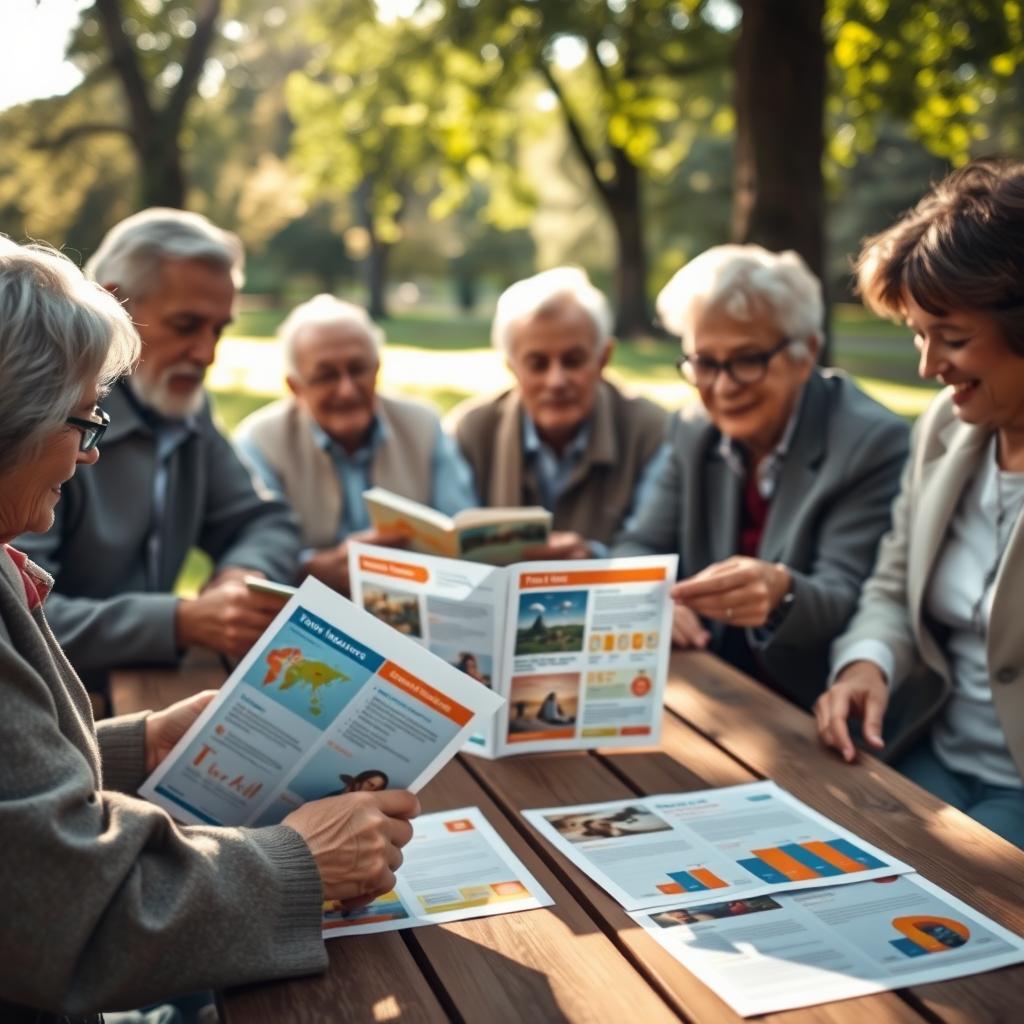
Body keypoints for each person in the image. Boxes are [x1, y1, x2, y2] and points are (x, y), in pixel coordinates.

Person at [0, 238, 419, 1023]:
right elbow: (66, 913)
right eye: (83, 421)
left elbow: (16, 806)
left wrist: (140, 743)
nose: (89, 453)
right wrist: (303, 862)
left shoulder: (186, 423)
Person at [815, 159, 1024, 847]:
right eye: (917, 332)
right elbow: (893, 579)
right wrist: (867, 662)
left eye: (953, 338)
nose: (928, 367)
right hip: (926, 755)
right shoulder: (944, 426)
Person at [16, 208, 300, 692]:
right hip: (56, 702)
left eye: (218, 330)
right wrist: (180, 621)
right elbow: (21, 611)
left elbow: (263, 520)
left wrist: (240, 580)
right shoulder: (46, 423)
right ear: (112, 304)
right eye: (187, 325)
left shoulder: (183, 408)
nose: (207, 353)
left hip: (145, 690)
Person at [614, 245, 909, 707]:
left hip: (813, 705)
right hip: (707, 690)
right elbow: (638, 545)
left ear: (806, 352)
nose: (724, 387)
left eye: (748, 360)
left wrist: (781, 593)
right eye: (705, 363)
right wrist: (652, 598)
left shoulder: (869, 442)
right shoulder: (693, 429)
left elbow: (846, 594)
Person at [235, 294, 476, 594]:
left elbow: (462, 536)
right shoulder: (260, 442)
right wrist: (315, 569)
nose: (347, 390)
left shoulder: (423, 426)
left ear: (377, 369)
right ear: (295, 387)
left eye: (358, 369)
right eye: (326, 376)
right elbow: (253, 556)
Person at [448, 267, 669, 556]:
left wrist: (592, 559)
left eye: (573, 361)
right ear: (512, 368)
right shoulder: (470, 431)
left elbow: (652, 544)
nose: (556, 381)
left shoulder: (651, 430)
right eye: (538, 364)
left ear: (603, 358)